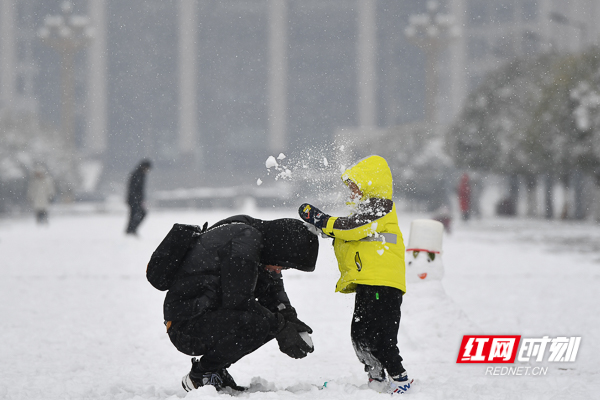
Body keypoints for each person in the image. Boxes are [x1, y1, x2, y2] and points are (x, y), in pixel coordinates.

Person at [163, 214, 319, 393]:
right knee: (257, 323)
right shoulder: (244, 241)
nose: (279, 270)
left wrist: (289, 318)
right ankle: (202, 375)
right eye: (281, 265)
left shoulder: (254, 238)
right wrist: (282, 327)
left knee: (269, 320)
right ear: (278, 252)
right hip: (186, 326)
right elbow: (238, 300)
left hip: (204, 315)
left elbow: (273, 291)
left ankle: (215, 369)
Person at [298, 155, 412, 395]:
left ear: (370, 183)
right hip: (369, 282)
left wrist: (321, 219)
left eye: (354, 187)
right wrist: (326, 230)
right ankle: (376, 377)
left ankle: (401, 381)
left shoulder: (381, 206)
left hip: (384, 283)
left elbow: (351, 229)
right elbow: (351, 232)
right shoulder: (368, 211)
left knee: (381, 336)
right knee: (360, 333)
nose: (351, 193)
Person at [125, 159, 152, 235]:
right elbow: (133, 188)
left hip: (136, 199)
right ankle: (131, 230)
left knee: (134, 215)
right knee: (137, 214)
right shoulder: (137, 174)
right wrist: (136, 199)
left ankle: (131, 230)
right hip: (134, 199)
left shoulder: (140, 174)